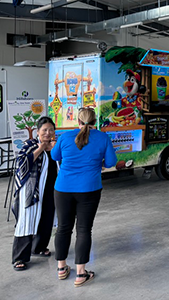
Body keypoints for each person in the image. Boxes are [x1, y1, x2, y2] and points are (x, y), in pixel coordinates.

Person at [52, 107, 117, 286]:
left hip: (63, 188)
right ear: (95, 121)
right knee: (83, 229)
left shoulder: (65, 136)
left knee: (63, 228)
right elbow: (111, 162)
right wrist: (98, 163)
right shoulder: (103, 138)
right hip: (89, 188)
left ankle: (61, 268)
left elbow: (54, 155)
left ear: (78, 121)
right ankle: (81, 274)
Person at [11, 117, 58, 271]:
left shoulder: (55, 146)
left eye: (51, 130)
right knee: (26, 222)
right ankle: (19, 257)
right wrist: (41, 148)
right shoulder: (30, 145)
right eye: (44, 130)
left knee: (46, 219)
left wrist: (53, 149)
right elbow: (21, 164)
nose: (48, 133)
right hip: (31, 191)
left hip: (51, 190)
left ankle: (38, 247)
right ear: (37, 131)